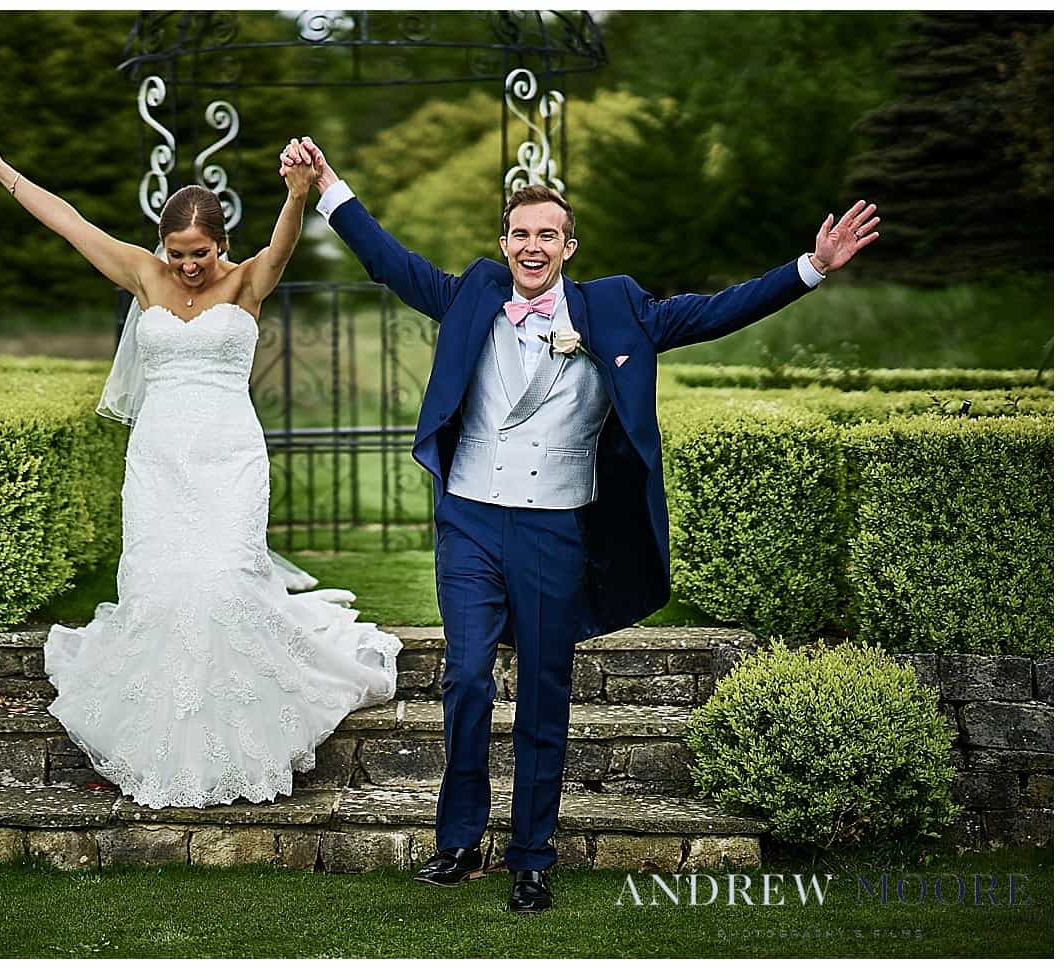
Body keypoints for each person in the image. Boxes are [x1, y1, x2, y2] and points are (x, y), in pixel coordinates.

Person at [280, 136, 878, 913]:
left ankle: (532, 854)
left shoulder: (618, 308)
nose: (533, 247)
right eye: (520, 234)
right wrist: (329, 187)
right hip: (469, 520)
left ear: (569, 245)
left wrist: (813, 268)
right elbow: (390, 262)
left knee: (544, 692)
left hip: (554, 528)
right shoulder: (471, 295)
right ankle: (458, 840)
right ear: (505, 244)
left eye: (546, 235)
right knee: (464, 679)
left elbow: (717, 311)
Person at [0, 117, 400, 810]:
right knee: (162, 591)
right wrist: (2, 170)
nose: (186, 265)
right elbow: (71, 224)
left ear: (221, 243)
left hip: (229, 456)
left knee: (225, 583)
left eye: (198, 252)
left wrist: (296, 192)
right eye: (176, 253)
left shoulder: (248, 282)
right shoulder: (145, 274)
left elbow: (283, 244)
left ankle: (238, 745)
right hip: (159, 459)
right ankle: (161, 747)